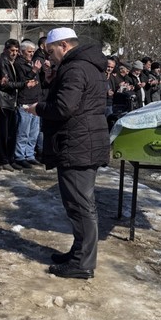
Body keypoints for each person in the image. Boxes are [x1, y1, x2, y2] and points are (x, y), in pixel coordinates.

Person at [25, 27, 109, 280]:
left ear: (63, 45)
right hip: (84, 140)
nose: (49, 57)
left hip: (77, 142)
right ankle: (79, 252)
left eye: (50, 51)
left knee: (80, 205)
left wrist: (37, 108)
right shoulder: (88, 65)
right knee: (81, 203)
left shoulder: (74, 68)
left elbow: (63, 107)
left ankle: (82, 263)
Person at [0, 39, 24, 170]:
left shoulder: (12, 63)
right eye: (12, 50)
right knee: (3, 133)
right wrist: (23, 84)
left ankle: (9, 158)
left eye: (16, 51)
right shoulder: (2, 62)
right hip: (4, 101)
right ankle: (3, 159)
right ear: (6, 50)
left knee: (12, 132)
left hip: (11, 101)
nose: (14, 53)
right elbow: (5, 84)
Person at [13, 40, 43, 168]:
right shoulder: (19, 64)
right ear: (22, 52)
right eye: (29, 52)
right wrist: (34, 71)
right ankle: (19, 156)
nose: (31, 54)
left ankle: (29, 154)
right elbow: (23, 81)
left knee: (34, 132)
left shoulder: (31, 63)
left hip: (35, 101)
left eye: (32, 52)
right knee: (23, 132)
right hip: (25, 101)